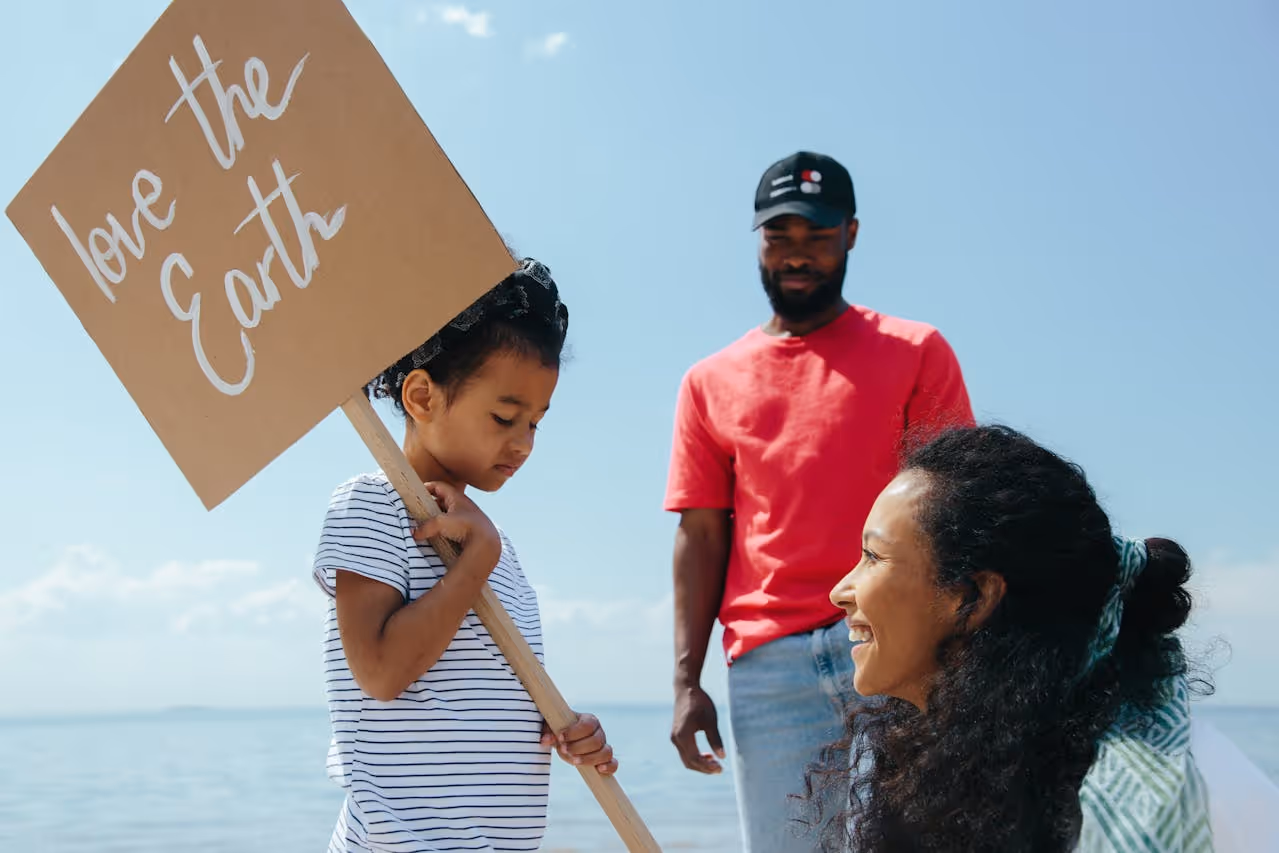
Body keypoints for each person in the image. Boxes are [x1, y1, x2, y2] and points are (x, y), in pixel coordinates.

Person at [664, 150, 975, 851]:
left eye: (817, 236)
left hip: (898, 646)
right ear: (757, 241)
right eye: (779, 238)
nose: (796, 256)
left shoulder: (917, 351)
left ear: (852, 235)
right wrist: (687, 680)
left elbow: (956, 508)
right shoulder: (707, 381)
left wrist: (962, 648)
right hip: (768, 669)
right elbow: (701, 534)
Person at [311, 256, 617, 853]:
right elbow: (380, 672)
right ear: (423, 396)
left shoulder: (492, 545)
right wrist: (479, 561)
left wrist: (563, 728)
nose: (524, 443)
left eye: (536, 422)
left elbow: (484, 703)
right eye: (505, 417)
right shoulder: (372, 507)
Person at [815, 424, 1220, 852]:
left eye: (874, 556)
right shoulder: (920, 757)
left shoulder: (1154, 794)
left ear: (973, 596)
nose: (839, 592)